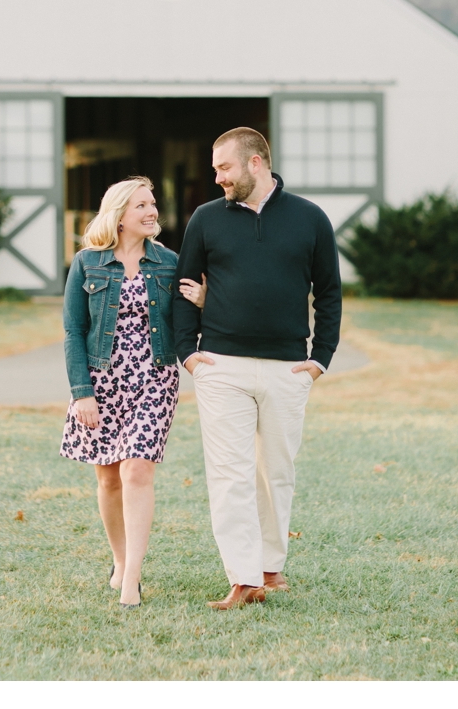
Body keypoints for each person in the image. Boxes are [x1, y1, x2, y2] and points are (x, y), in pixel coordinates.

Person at [171, 127, 342, 610]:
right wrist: (190, 353)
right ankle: (243, 579)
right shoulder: (205, 219)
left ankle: (271, 567)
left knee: (276, 472)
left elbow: (329, 293)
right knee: (230, 474)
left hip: (288, 369)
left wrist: (319, 359)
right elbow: (185, 284)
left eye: (223, 167)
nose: (217, 177)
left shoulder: (310, 219)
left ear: (255, 163)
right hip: (220, 365)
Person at [61, 176, 180, 609]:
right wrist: (81, 392)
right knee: (108, 476)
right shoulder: (88, 263)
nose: (152, 212)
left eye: (153, 205)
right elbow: (74, 330)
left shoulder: (169, 262)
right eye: (142, 206)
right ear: (120, 216)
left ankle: (132, 578)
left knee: (136, 472)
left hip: (156, 377)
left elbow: (189, 317)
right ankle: (119, 559)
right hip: (102, 380)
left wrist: (203, 299)